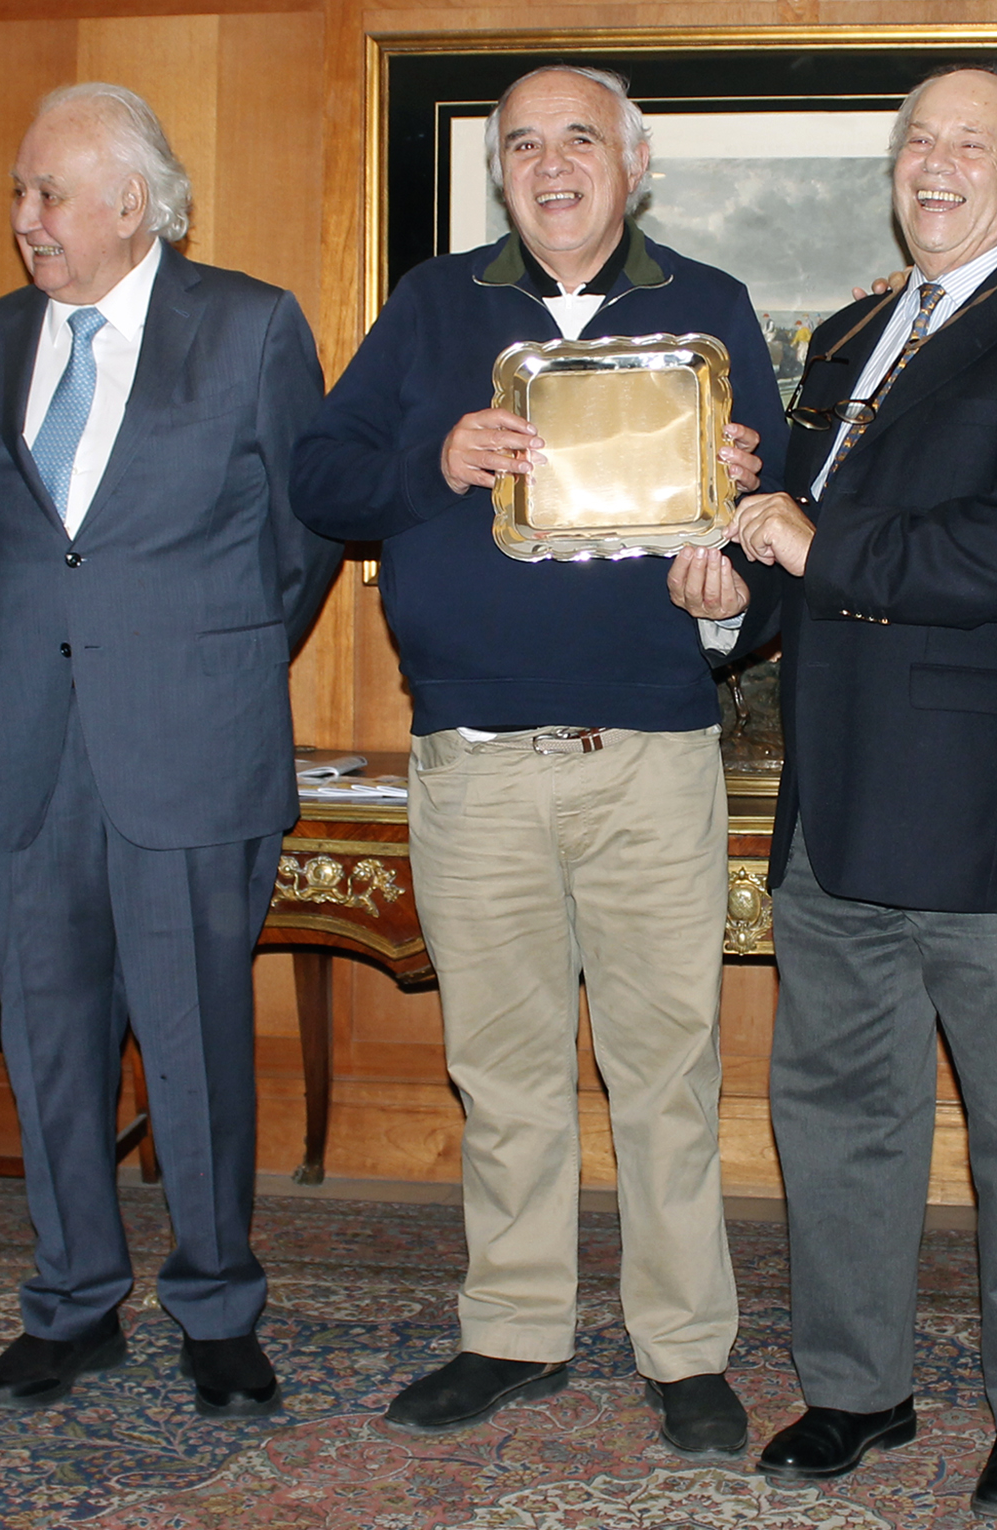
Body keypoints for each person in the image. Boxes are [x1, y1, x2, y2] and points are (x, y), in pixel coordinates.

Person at [291, 64, 784, 1458]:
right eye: (522, 144)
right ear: (498, 172)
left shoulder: (712, 309)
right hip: (475, 760)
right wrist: (435, 456)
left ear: (634, 166)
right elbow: (318, 478)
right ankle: (512, 1331)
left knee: (666, 1069)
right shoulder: (433, 305)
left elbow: (774, 521)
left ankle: (685, 1349)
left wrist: (731, 601)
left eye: (580, 138)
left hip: (651, 753)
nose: (551, 164)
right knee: (500, 1067)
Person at [674, 64, 997, 1517]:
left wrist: (807, 545)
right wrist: (730, 595)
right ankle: (854, 1390)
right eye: (917, 142)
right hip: (837, 811)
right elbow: (797, 553)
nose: (935, 165)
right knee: (834, 1117)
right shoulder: (850, 334)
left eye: (970, 145)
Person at [0, 82, 340, 1416]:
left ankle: (218, 1306)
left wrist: (198, 660)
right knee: (48, 1041)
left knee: (195, 1041)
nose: (26, 216)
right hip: (28, 747)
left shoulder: (248, 326)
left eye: (48, 192)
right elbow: (12, 546)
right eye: (19, 192)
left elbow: (303, 537)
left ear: (132, 202)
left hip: (187, 741)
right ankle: (72, 1303)